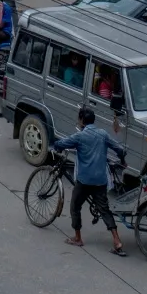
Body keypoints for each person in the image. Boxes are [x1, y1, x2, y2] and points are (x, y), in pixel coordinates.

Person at [50, 106, 125, 255]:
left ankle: (78, 238)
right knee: (105, 210)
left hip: (84, 181)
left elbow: (63, 143)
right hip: (100, 180)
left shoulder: (80, 136)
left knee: (75, 206)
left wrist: (56, 146)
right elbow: (120, 149)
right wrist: (123, 159)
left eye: (79, 119)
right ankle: (117, 241)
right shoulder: (103, 134)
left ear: (82, 121)